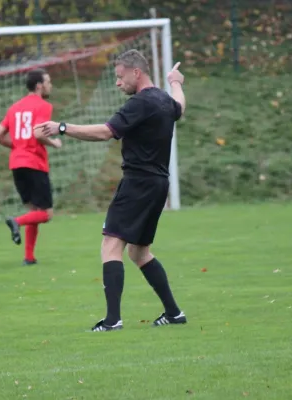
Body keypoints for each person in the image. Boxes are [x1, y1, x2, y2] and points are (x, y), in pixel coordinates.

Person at [35, 49, 187, 332]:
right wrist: (175, 81)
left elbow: (106, 132)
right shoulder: (163, 100)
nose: (118, 83)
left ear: (136, 72)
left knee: (111, 244)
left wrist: (62, 127)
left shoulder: (140, 103)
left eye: (120, 77)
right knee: (139, 253)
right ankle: (174, 313)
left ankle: (112, 320)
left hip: (138, 182)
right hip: (158, 184)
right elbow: (180, 106)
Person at [0, 68, 62, 266]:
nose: (50, 85)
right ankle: (16, 221)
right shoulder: (43, 106)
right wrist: (54, 143)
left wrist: (17, 146)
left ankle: (29, 258)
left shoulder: (15, 107)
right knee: (45, 214)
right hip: (35, 163)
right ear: (39, 85)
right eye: (48, 81)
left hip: (17, 163)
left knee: (34, 210)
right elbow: (39, 133)